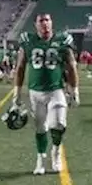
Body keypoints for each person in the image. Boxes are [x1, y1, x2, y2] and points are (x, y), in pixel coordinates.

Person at [14, 12, 77, 175]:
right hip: (35, 92)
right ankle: (40, 160)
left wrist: (74, 90)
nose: (44, 23)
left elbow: (71, 66)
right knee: (40, 128)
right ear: (35, 25)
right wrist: (17, 94)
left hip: (56, 90)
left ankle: (55, 151)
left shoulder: (62, 40)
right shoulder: (28, 40)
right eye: (41, 21)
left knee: (58, 124)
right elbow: (20, 67)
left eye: (47, 20)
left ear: (52, 22)